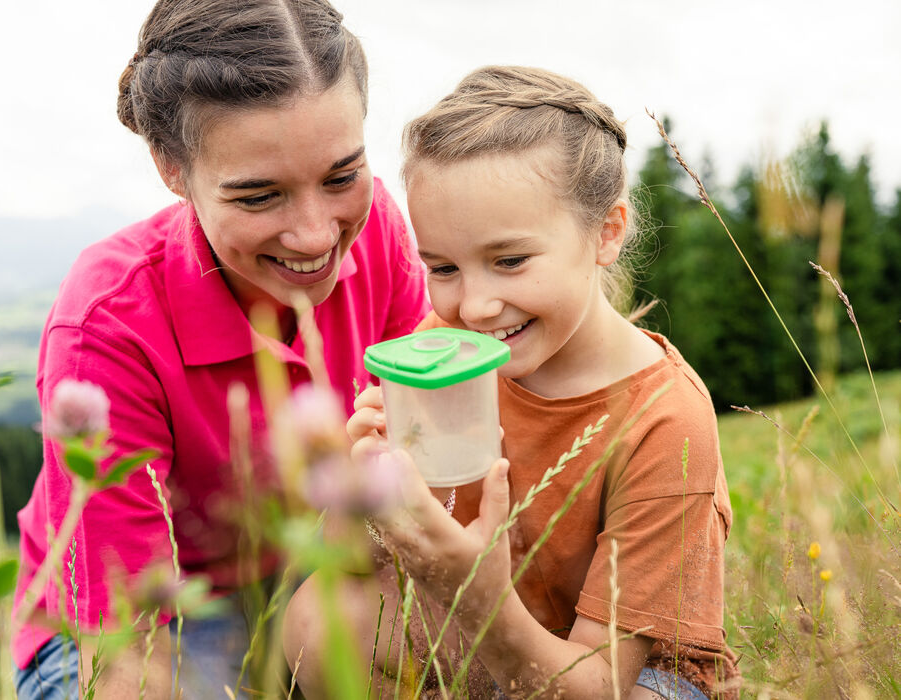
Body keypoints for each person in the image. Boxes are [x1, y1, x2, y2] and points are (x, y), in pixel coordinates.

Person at [9, 1, 429, 698]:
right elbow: (127, 655)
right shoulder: (107, 326)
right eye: (260, 196)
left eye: (340, 176)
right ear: (172, 168)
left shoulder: (379, 226)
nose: (316, 235)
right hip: (153, 618)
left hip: (316, 567)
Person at [283, 66, 738, 699]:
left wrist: (480, 600)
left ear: (606, 233)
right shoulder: (443, 352)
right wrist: (360, 494)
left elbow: (601, 681)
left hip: (615, 675)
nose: (474, 307)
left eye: (510, 261)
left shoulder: (665, 420)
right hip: (498, 635)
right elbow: (354, 568)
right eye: (442, 267)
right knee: (317, 618)